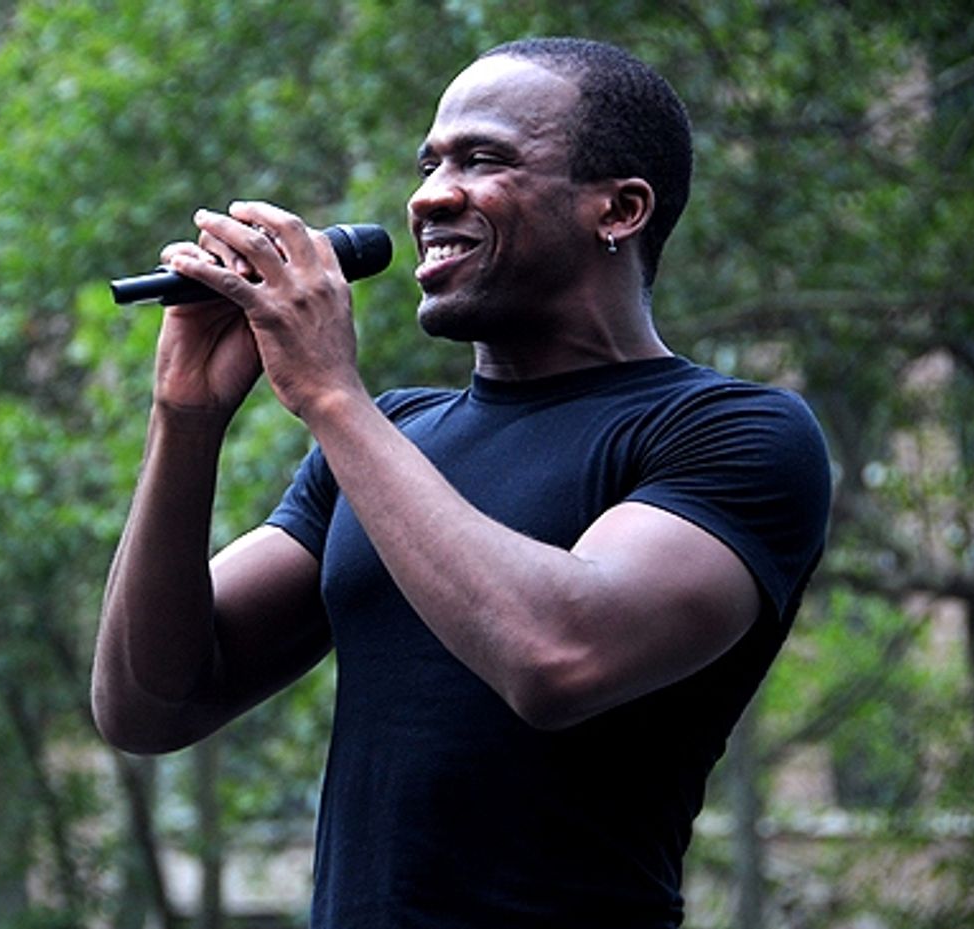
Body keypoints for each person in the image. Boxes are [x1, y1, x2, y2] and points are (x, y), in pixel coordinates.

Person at [92, 36, 831, 928]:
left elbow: (557, 654)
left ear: (620, 207)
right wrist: (186, 418)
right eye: (429, 162)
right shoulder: (395, 437)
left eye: (483, 160)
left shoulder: (733, 432)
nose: (428, 195)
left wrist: (329, 392)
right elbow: (146, 702)